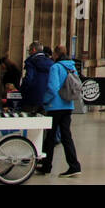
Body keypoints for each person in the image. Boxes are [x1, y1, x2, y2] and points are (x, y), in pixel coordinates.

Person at [38, 46, 81, 178]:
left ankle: (46, 165)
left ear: (56, 54)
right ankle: (74, 165)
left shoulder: (55, 67)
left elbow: (52, 87)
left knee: (50, 137)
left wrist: (44, 101)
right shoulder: (72, 66)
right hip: (68, 105)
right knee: (66, 136)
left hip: (55, 105)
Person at [20, 41, 53, 114]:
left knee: (28, 121)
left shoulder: (31, 62)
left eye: (29, 50)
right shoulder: (50, 63)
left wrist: (22, 90)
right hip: (46, 98)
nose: (29, 53)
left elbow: (28, 79)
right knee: (43, 122)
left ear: (34, 50)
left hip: (31, 97)